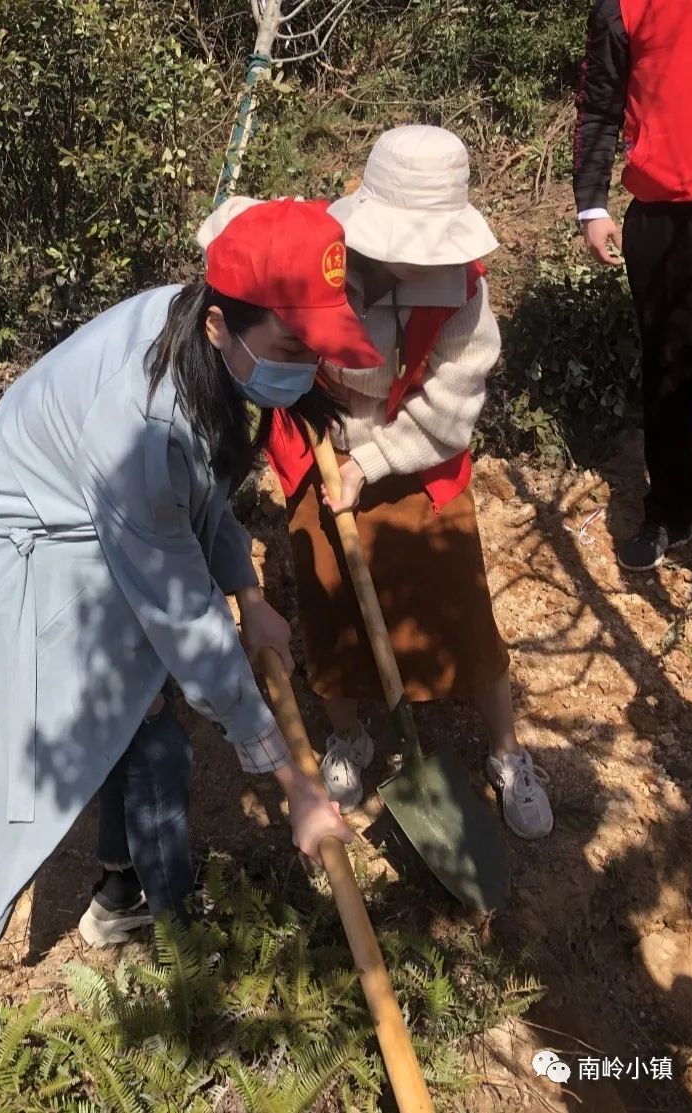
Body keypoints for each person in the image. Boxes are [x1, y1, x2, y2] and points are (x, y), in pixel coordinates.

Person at [0, 199, 369, 947]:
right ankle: (179, 936)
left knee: (141, 710)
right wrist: (295, 784)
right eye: (293, 345)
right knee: (154, 726)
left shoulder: (202, 344)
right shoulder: (138, 424)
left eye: (317, 346)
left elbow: (200, 495)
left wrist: (250, 593)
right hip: (29, 539)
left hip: (98, 516)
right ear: (219, 324)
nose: (306, 367)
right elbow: (181, 609)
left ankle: (117, 887)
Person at [203, 127, 553, 840]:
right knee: (331, 604)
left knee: (460, 603)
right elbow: (230, 230)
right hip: (317, 444)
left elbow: (451, 406)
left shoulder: (461, 292)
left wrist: (373, 458)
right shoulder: (318, 250)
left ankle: (507, 752)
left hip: (416, 452)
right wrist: (330, 440)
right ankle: (349, 734)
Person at [574, 0, 692, 571]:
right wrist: (592, 206)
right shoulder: (625, 7)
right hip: (661, 216)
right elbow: (600, 107)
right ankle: (671, 514)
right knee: (669, 369)